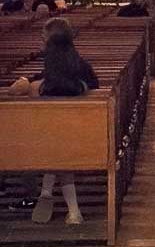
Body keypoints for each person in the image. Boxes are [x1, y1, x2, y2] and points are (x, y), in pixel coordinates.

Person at [8, 19, 99, 225]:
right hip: (76, 127)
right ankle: (50, 195)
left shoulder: (54, 63)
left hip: (54, 128)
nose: (41, 37)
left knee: (56, 154)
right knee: (57, 156)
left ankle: (71, 210)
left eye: (43, 34)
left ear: (51, 39)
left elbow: (58, 85)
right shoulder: (76, 60)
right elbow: (91, 82)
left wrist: (33, 87)